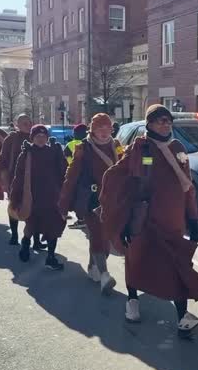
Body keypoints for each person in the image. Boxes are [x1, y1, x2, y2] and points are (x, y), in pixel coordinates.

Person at [99, 104, 198, 336]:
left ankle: (182, 318)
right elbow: (119, 176)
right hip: (145, 218)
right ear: (149, 124)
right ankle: (132, 301)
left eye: (168, 120)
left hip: (173, 220)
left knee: (177, 266)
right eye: (160, 120)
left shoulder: (178, 147)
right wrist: (122, 211)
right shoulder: (140, 147)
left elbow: (187, 185)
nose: (165, 124)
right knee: (137, 260)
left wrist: (194, 217)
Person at [59, 113, 123, 294]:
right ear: (92, 130)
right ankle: (104, 275)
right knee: (97, 233)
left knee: (107, 236)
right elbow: (71, 177)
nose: (103, 132)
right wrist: (63, 203)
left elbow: (126, 169)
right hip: (90, 199)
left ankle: (92, 266)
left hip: (112, 199)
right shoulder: (83, 148)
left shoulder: (117, 146)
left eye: (107, 128)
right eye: (99, 129)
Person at [10, 125, 68, 269]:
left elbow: (64, 170)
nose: (41, 139)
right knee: (31, 223)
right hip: (32, 196)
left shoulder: (52, 152)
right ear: (32, 138)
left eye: (44, 137)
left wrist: (58, 151)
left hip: (52, 196)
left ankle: (50, 256)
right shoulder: (26, 155)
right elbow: (19, 177)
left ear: (47, 138)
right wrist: (15, 197)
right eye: (37, 137)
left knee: (53, 226)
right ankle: (25, 243)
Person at [0, 114, 39, 247]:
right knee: (14, 206)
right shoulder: (11, 138)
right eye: (24, 123)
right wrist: (4, 179)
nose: (28, 125)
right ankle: (14, 235)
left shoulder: (37, 136)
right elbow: (4, 159)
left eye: (29, 122)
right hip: (15, 178)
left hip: (35, 179)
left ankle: (35, 239)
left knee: (35, 208)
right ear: (17, 125)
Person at [65, 123, 89, 229]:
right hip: (91, 175)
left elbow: (68, 161)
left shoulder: (70, 145)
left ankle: (81, 219)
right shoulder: (91, 143)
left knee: (77, 198)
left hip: (77, 175)